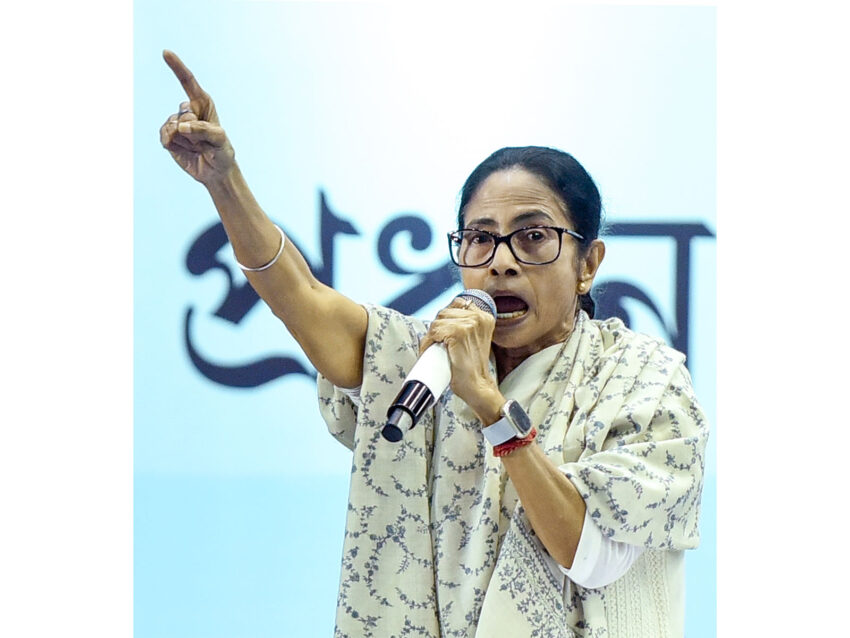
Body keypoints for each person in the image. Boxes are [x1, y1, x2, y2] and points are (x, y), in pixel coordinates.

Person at [160, 49, 708, 637]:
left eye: (533, 236)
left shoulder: (644, 381)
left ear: (588, 264)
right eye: (480, 238)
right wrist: (224, 181)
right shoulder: (425, 357)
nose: (501, 262)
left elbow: (591, 556)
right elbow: (302, 294)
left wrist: (491, 408)